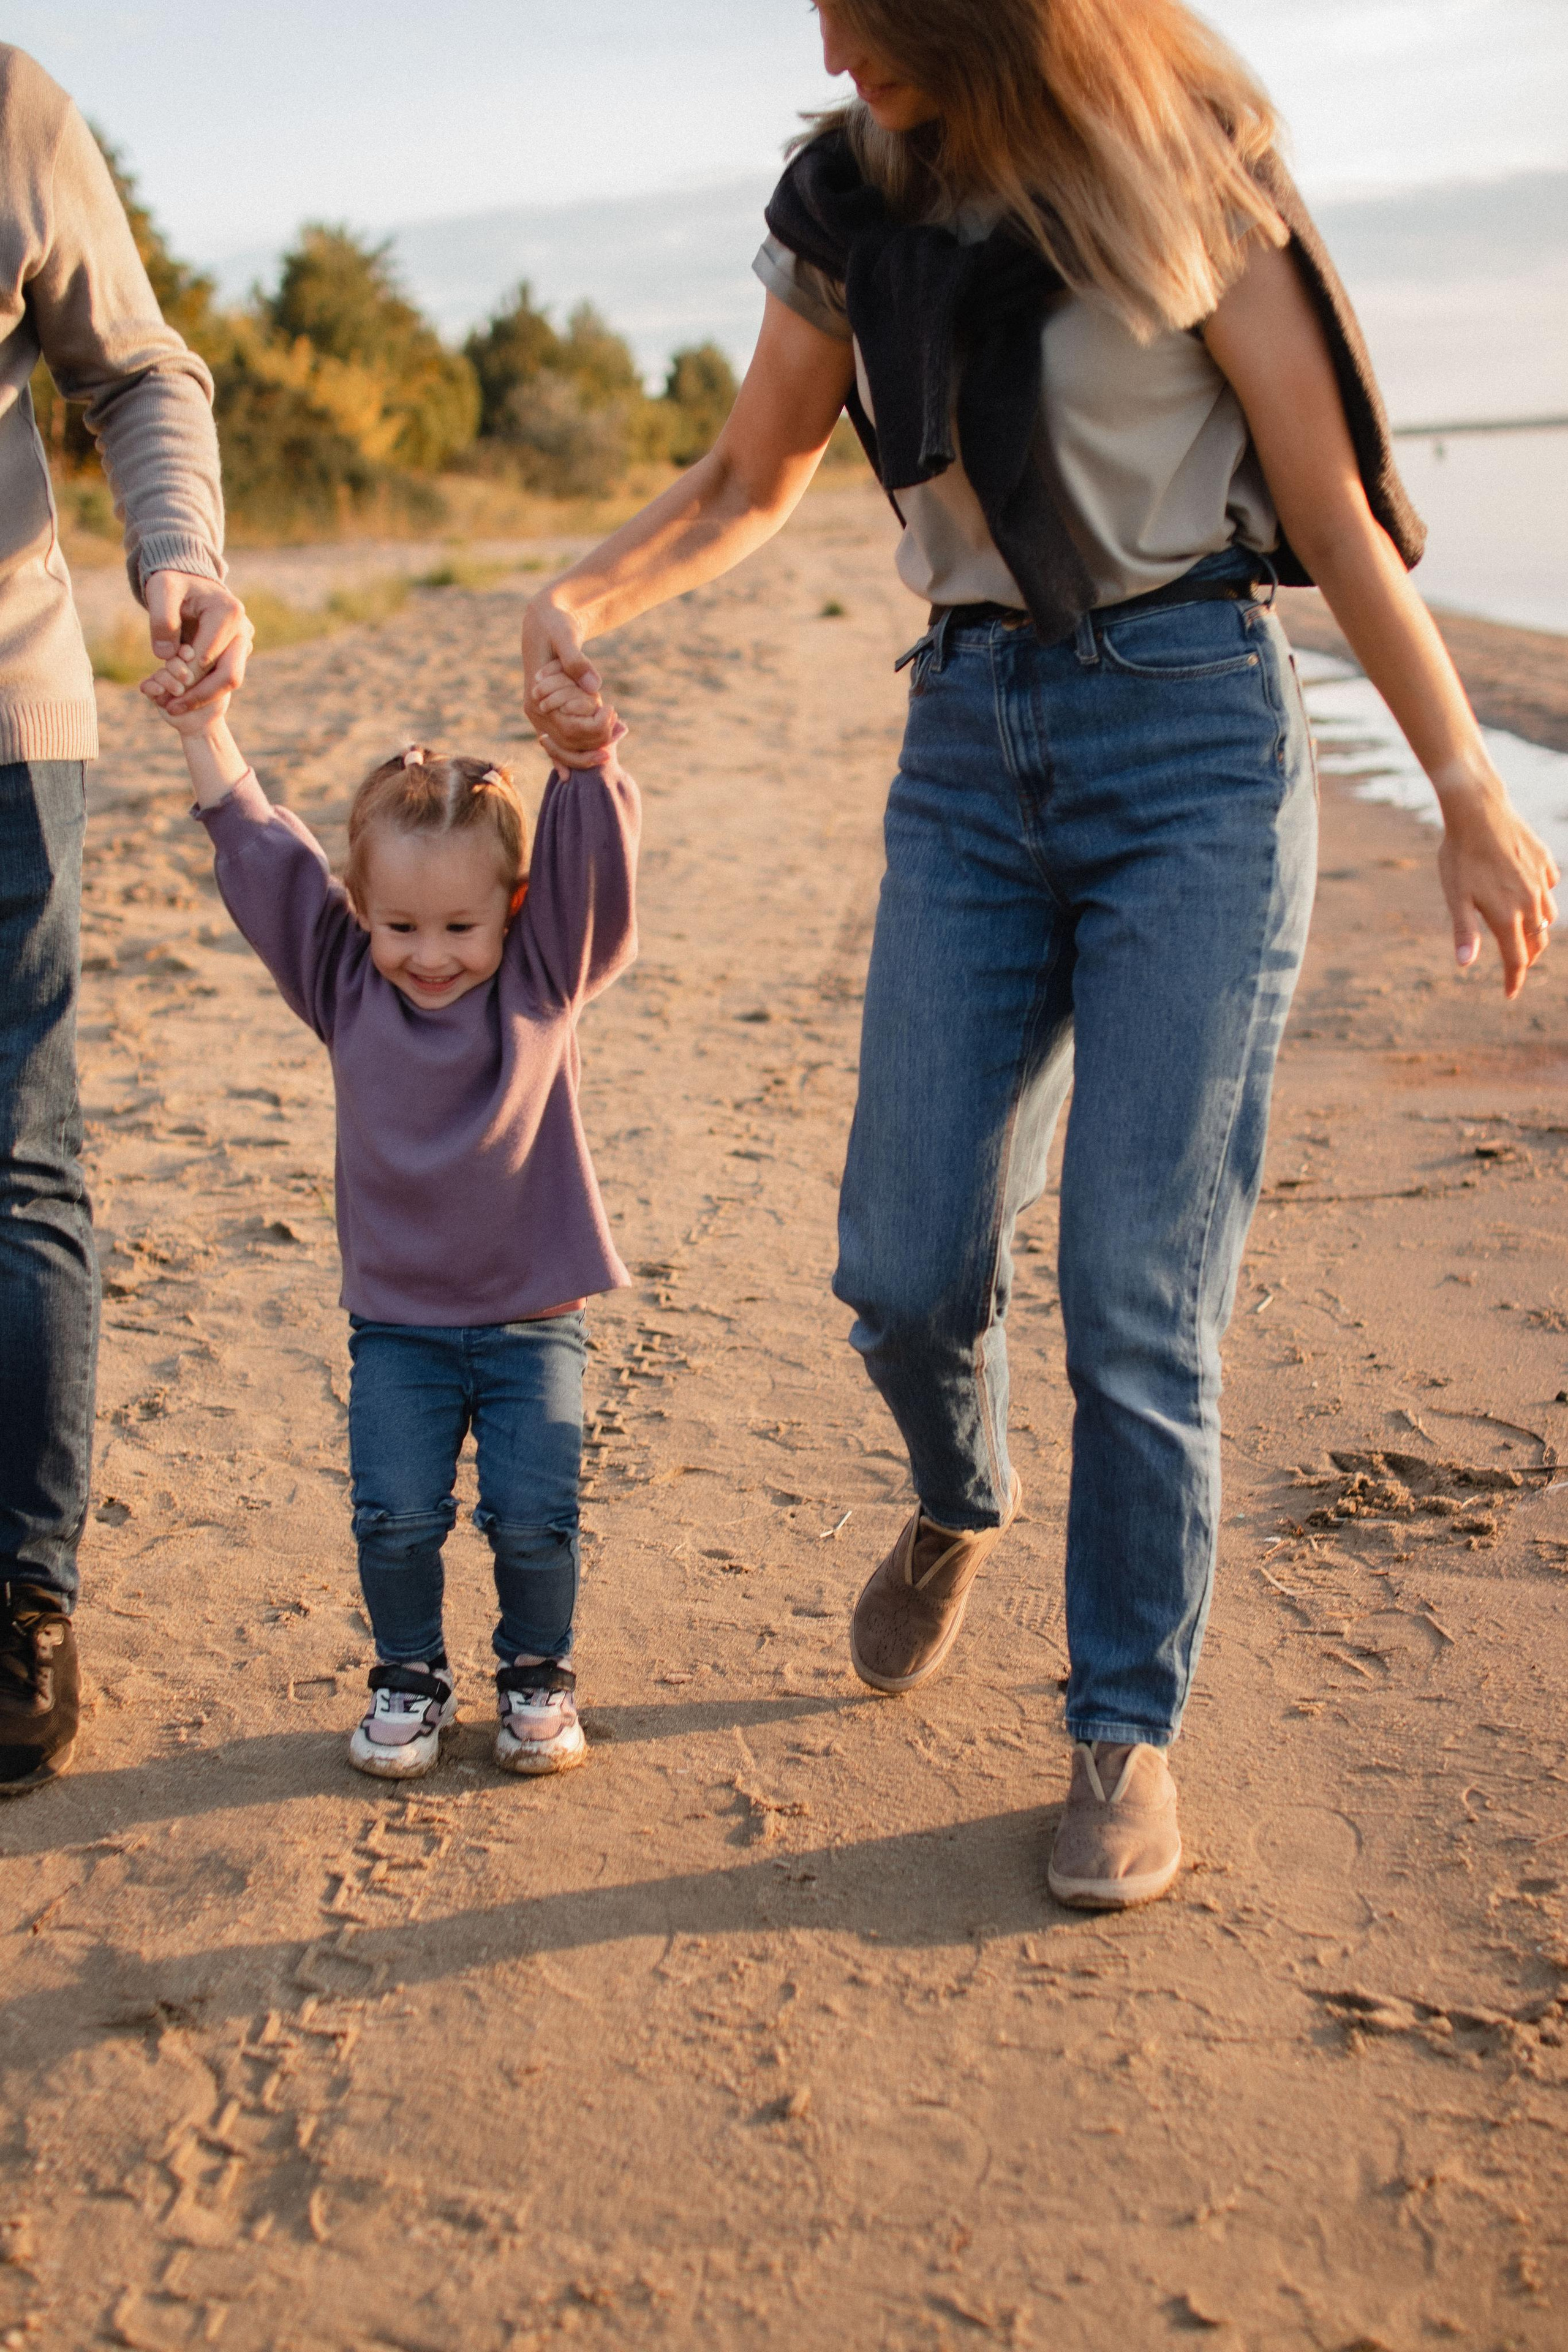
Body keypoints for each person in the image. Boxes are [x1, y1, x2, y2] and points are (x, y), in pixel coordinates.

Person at [524, 0, 1559, 1909]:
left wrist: (1474, 788)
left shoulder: (1181, 172)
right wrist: (582, 592)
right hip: (968, 747)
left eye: (869, 25)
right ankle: (958, 1497)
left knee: (1133, 1288)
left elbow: (1326, 510)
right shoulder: (849, 201)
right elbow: (750, 481)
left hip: (1195, 750)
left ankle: (1119, 1730)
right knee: (905, 1267)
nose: (840, 67)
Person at [141, 647, 639, 1778]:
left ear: (513, 909)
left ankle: (536, 1676)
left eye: (460, 927)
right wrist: (203, 729)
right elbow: (265, 854)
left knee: (532, 1519)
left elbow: (591, 880)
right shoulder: (342, 981)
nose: (429, 956)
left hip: (532, 1321)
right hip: (398, 1328)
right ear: (358, 909)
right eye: (400, 925)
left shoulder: (541, 978)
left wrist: (584, 762)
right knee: (397, 1519)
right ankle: (409, 1675)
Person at [0, 43, 249, 1796]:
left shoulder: (10, 104)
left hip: (1, 727)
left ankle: (23, 1593)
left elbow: (142, 371)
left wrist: (181, 557)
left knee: (17, 1150)